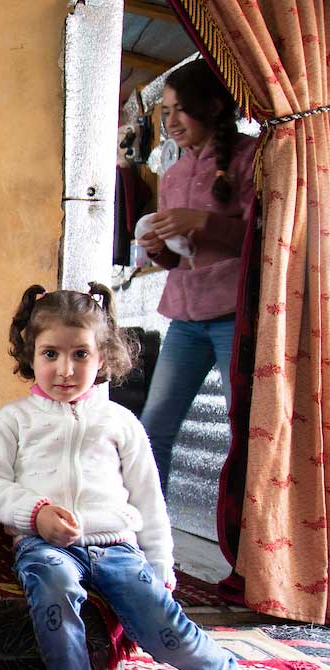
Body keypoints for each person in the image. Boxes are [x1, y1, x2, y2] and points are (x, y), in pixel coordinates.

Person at [0, 284, 288, 670]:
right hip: (46, 546)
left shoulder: (121, 422)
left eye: (80, 354)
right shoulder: (13, 421)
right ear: (29, 354)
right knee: (54, 588)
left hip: (118, 546)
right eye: (50, 353)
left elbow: (149, 497)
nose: (65, 368)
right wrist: (34, 514)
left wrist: (161, 563)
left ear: (104, 356)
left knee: (163, 623)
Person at [137, 58, 256, 493]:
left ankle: (248, 539)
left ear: (212, 106)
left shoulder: (251, 159)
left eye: (179, 109)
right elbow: (178, 260)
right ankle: (148, 538)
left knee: (245, 429)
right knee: (152, 430)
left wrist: (204, 222)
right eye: (164, 111)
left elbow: (268, 239)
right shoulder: (172, 174)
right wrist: (158, 250)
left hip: (233, 315)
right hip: (185, 320)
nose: (170, 122)